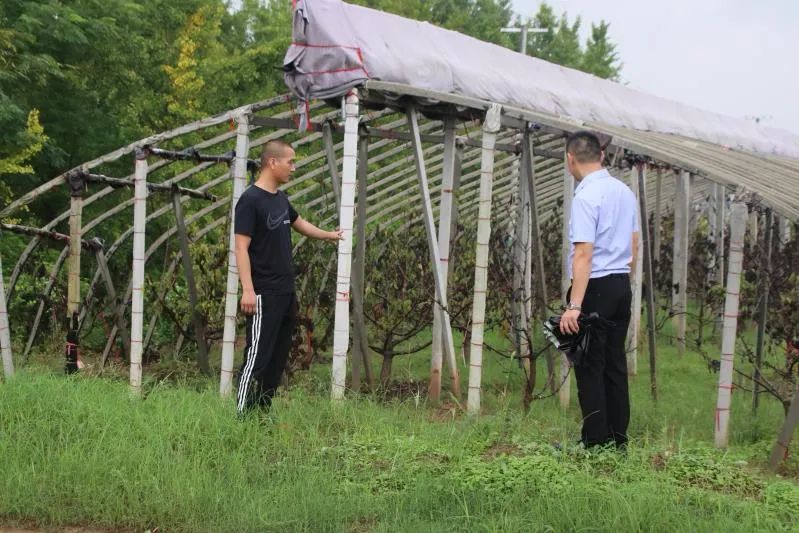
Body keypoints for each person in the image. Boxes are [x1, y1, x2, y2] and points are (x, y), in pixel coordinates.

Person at [234, 140, 342, 415]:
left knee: (277, 359)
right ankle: (240, 416)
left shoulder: (280, 199)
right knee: (257, 357)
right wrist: (248, 289)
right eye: (290, 162)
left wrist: (330, 235)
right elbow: (241, 247)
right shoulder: (250, 201)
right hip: (263, 293)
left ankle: (261, 413)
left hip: (285, 293)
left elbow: (300, 223)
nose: (294, 167)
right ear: (272, 162)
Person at [558, 130, 639, 449]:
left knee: (590, 365)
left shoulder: (586, 196)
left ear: (570, 159)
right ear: (601, 156)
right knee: (615, 364)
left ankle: (594, 442)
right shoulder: (623, 191)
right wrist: (624, 281)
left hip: (597, 287)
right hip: (620, 283)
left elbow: (583, 253)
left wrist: (575, 306)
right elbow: (634, 243)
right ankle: (618, 439)